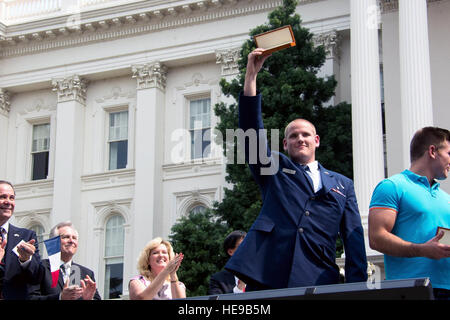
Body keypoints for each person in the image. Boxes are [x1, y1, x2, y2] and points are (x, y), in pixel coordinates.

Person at [224, 48, 367, 291]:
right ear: (285, 143)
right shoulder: (276, 168)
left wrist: (357, 288)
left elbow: (353, 238)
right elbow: (250, 136)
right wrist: (251, 78)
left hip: (318, 277)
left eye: (305, 134)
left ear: (317, 140)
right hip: (269, 274)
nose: (300, 139)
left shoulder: (343, 184)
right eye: (293, 136)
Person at [369, 126, 450, 300]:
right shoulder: (392, 187)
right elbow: (376, 238)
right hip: (413, 290)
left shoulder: (446, 198)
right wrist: (422, 250)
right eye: (449, 153)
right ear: (432, 151)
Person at [29, 221, 101, 300]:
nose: (71, 241)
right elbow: (30, 298)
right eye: (66, 237)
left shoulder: (87, 274)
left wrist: (88, 299)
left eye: (74, 238)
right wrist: (60, 297)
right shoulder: (39, 268)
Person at [0, 180, 43, 299]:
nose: (8, 202)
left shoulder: (26, 236)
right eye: (3, 197)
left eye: (12, 198)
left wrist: (26, 260)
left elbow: (37, 277)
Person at [208, 230, 247, 295]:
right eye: (243, 246)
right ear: (230, 252)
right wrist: (240, 287)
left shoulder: (261, 276)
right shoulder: (218, 280)